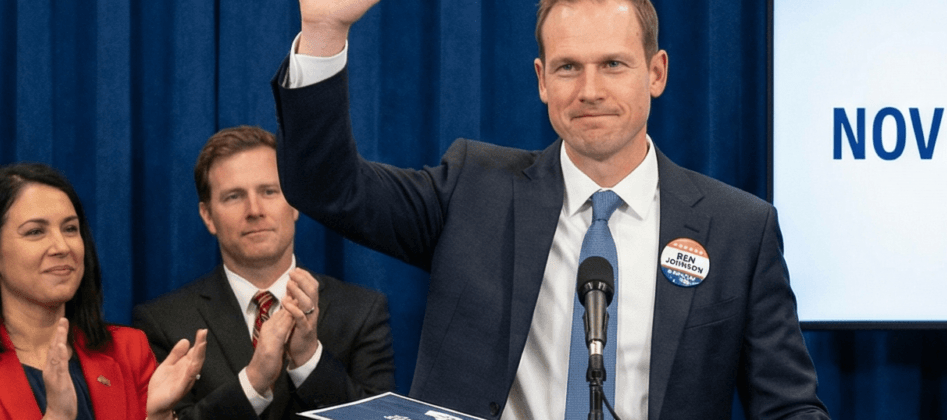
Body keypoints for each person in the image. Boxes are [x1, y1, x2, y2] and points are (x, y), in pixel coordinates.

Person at [271, 0, 828, 419]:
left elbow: (788, 407)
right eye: (567, 67)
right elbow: (328, 187)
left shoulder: (737, 230)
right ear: (541, 80)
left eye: (612, 64)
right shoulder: (472, 192)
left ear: (655, 72)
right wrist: (325, 30)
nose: (589, 90)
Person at [0, 163, 208, 420]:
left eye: (70, 229)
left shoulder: (128, 350)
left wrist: (154, 417)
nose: (62, 247)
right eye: (36, 232)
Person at [133, 126, 395, 419]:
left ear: (295, 203)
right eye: (234, 196)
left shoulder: (362, 311)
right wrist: (253, 382)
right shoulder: (162, 323)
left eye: (269, 191)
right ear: (208, 216)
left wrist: (308, 359)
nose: (254, 209)